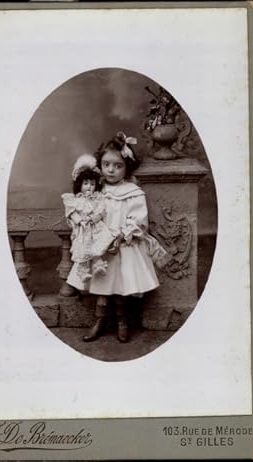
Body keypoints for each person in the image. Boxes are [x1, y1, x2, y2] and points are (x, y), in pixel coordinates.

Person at [76, 132, 170, 343]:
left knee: (119, 287)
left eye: (118, 166)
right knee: (101, 288)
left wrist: (120, 237)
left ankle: (122, 322)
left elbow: (138, 221)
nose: (111, 170)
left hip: (122, 246)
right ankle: (99, 322)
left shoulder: (132, 192)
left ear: (127, 168)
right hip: (99, 246)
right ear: (100, 164)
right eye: (106, 164)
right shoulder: (96, 189)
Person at [62, 154, 116, 283]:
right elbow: (71, 213)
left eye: (92, 184)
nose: (89, 186)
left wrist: (95, 218)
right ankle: (83, 271)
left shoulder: (98, 198)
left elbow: (103, 211)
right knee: (83, 249)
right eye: (85, 183)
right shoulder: (74, 200)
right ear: (79, 185)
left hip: (95, 227)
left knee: (97, 246)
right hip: (83, 229)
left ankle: (99, 265)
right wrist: (80, 221)